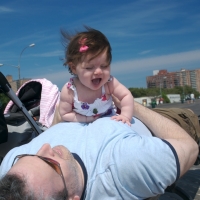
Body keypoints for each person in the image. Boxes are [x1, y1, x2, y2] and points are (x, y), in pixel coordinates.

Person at [0, 101, 199, 200]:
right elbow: (189, 147)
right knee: (191, 116)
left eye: (29, 155)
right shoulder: (123, 165)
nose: (45, 148)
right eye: (50, 163)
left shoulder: (11, 171)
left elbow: (48, 137)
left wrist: (64, 111)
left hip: (88, 111)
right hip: (152, 120)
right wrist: (129, 105)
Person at [59, 27, 134, 125]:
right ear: (74, 68)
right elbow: (65, 113)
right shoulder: (70, 90)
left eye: (104, 66)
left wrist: (125, 115)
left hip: (109, 121)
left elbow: (126, 96)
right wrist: (86, 119)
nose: (98, 71)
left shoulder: (109, 83)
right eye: (89, 67)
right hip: (81, 124)